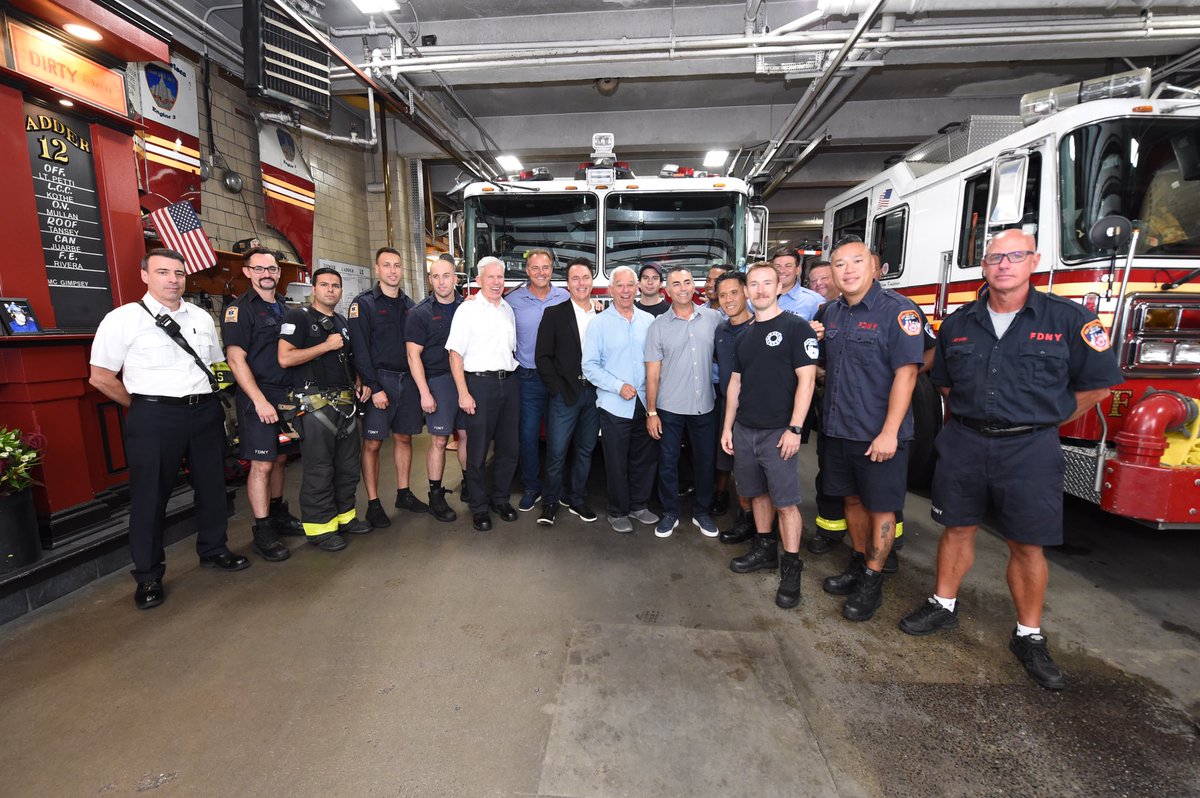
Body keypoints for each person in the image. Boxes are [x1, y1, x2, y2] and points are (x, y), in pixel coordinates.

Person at [899, 229, 1123, 690]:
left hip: (1030, 448)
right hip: (964, 441)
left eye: (1015, 256)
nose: (1004, 265)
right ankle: (943, 605)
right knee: (956, 527)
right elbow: (944, 383)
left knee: (1027, 542)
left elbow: (1098, 385)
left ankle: (1028, 635)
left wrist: (1044, 419)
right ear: (983, 265)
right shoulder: (960, 324)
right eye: (996, 257)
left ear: (1033, 261)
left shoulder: (1069, 320)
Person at [89, 248, 250, 610]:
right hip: (154, 416)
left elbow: (215, 366)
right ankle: (148, 576)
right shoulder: (122, 319)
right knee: (150, 498)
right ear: (145, 275)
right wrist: (143, 407)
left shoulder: (202, 317)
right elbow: (100, 377)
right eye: (163, 272)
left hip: (204, 412)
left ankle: (214, 550)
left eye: (179, 273)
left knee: (212, 487)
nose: (173, 279)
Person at [817, 240, 925, 622]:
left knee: (881, 509)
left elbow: (907, 373)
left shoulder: (897, 311)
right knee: (851, 503)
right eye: (839, 264)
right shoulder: (830, 313)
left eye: (856, 262)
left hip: (878, 434)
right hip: (839, 428)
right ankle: (858, 563)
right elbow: (828, 369)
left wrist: (889, 432)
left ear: (874, 267)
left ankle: (872, 582)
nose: (847, 270)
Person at [721, 261, 819, 608]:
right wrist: (727, 427)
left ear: (780, 287)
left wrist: (795, 428)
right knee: (757, 495)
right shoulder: (744, 336)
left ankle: (792, 569)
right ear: (746, 291)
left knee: (786, 503)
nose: (760, 290)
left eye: (767, 283)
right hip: (745, 429)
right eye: (754, 284)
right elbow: (735, 383)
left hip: (779, 433)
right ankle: (765, 550)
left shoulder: (796, 329)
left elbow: (807, 381)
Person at [278, 267, 372, 551]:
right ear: (314, 289)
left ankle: (345, 518)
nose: (330, 289)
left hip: (345, 404)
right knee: (320, 469)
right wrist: (326, 345)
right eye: (325, 285)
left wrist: (359, 380)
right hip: (315, 405)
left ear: (341, 291)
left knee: (347, 467)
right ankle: (320, 530)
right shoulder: (298, 318)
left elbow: (349, 359)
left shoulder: (342, 322)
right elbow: (285, 358)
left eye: (335, 285)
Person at [222, 246, 304, 563]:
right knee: (262, 464)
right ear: (247, 272)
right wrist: (258, 401)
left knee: (281, 459)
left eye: (270, 269)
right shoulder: (239, 310)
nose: (266, 274)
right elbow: (235, 358)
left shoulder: (285, 308)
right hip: (259, 397)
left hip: (287, 397)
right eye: (259, 269)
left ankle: (279, 513)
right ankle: (263, 530)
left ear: (278, 272)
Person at [348, 246, 427, 529]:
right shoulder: (363, 304)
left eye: (397, 265)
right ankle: (372, 503)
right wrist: (373, 385)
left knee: (404, 438)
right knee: (372, 443)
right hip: (379, 381)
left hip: (408, 380)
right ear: (377, 269)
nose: (393, 270)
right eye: (387, 265)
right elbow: (359, 349)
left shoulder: (411, 305)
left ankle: (403, 493)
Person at [644, 267, 724, 538]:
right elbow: (652, 372)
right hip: (669, 408)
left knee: (705, 461)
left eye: (687, 282)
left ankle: (702, 512)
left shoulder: (714, 318)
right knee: (668, 461)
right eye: (676, 284)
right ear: (668, 290)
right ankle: (670, 512)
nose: (682, 288)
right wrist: (651, 411)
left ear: (694, 286)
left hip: (705, 406)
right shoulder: (658, 327)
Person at [582, 266, 660, 533]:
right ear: (611, 290)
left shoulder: (649, 321)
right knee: (616, 462)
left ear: (637, 288)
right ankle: (617, 511)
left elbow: (657, 361)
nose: (626, 291)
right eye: (620, 286)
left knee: (644, 458)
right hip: (615, 405)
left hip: (646, 404)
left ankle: (639, 505)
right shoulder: (599, 324)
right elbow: (589, 366)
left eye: (630, 285)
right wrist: (617, 386)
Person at [447, 256, 520, 531]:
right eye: (490, 277)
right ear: (478, 280)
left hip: (509, 384)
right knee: (477, 452)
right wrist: (463, 393)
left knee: (509, 449)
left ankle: (500, 500)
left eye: (500, 277)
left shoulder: (507, 310)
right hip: (479, 385)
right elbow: (455, 354)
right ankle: (478, 507)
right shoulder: (467, 311)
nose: (496, 282)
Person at [534, 257, 601, 525]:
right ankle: (550, 503)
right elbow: (543, 357)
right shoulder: (554, 314)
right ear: (568, 284)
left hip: (594, 395)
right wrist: (557, 389)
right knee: (556, 452)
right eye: (575, 278)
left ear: (591, 281)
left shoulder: (602, 314)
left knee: (585, 451)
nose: (581, 283)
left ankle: (577, 499)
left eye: (585, 277)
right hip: (565, 395)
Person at [406, 254, 468, 523]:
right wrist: (424, 393)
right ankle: (435, 494)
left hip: (466, 380)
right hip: (439, 382)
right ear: (430, 280)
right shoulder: (420, 313)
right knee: (440, 440)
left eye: (446, 276)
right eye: (436, 277)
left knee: (467, 436)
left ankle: (471, 486)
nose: (442, 282)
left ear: (455, 278)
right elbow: (413, 356)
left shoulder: (468, 308)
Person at [508, 249, 570, 512]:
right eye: (535, 268)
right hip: (529, 377)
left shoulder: (565, 296)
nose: (541, 272)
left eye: (546, 267)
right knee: (528, 436)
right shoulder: (512, 301)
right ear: (527, 271)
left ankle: (556, 488)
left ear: (552, 269)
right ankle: (532, 487)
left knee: (560, 437)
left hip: (558, 379)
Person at [712, 271, 756, 545]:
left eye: (734, 293)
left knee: (752, 473)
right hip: (728, 408)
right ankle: (747, 520)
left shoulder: (759, 327)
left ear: (746, 293)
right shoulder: (721, 330)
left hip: (755, 412)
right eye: (723, 294)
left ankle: (755, 524)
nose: (728, 299)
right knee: (734, 467)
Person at [772, 247, 824, 320]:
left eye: (788, 266)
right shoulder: (762, 295)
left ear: (798, 270)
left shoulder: (814, 301)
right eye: (777, 266)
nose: (782, 271)